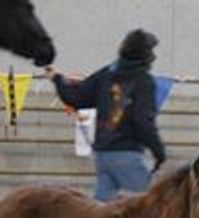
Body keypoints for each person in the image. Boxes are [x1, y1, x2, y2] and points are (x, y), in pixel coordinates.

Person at [45, 28, 166, 201]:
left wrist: (57, 79)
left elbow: (76, 98)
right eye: (151, 51)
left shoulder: (105, 74)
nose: (154, 56)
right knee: (149, 204)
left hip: (103, 155)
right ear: (145, 55)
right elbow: (143, 121)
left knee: (102, 213)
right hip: (126, 154)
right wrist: (159, 152)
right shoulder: (143, 81)